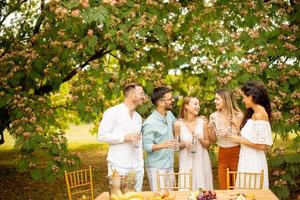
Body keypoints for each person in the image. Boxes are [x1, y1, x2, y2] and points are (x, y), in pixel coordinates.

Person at [97, 83, 146, 192]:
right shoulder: (112, 112)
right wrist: (124, 137)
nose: (144, 97)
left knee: (135, 198)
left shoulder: (138, 117)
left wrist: (140, 166)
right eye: (141, 94)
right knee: (117, 197)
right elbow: (101, 136)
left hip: (136, 168)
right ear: (132, 95)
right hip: (117, 166)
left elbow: (138, 142)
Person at [227, 81, 273, 189]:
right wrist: (237, 125)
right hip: (247, 158)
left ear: (251, 97)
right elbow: (251, 138)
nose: (242, 100)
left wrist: (239, 140)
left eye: (243, 97)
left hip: (254, 162)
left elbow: (263, 146)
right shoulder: (254, 114)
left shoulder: (260, 115)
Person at [142, 86, 178, 191]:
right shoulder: (150, 123)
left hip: (169, 165)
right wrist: (164, 145)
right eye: (170, 99)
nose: (172, 101)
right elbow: (146, 146)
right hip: (156, 168)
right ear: (161, 103)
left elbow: (176, 123)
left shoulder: (169, 114)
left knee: (170, 196)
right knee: (159, 197)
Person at [174, 96, 213, 190]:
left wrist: (201, 139)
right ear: (186, 106)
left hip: (202, 160)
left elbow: (208, 144)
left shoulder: (203, 122)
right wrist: (183, 144)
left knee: (203, 190)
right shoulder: (178, 124)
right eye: (195, 104)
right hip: (186, 162)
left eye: (199, 104)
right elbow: (175, 146)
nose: (198, 106)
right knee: (186, 187)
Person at [208, 89, 244, 189]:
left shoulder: (238, 115)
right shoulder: (213, 116)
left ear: (226, 100)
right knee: (224, 185)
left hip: (237, 153)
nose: (214, 101)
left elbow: (244, 137)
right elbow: (213, 140)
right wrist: (210, 130)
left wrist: (227, 133)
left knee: (237, 185)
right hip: (222, 153)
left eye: (217, 99)